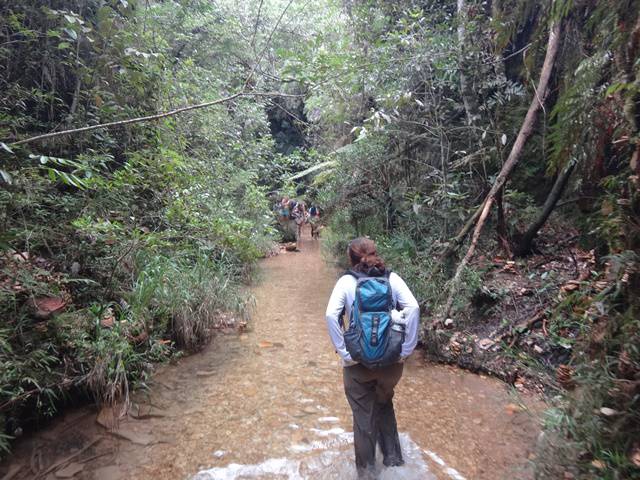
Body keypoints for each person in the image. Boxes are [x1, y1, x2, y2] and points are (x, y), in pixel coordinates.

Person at [325, 237, 419, 479]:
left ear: (351, 258)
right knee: (384, 405)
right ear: (376, 254)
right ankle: (395, 464)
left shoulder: (346, 282)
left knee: (363, 419)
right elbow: (414, 309)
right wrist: (406, 350)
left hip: (359, 365)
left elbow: (330, 315)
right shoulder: (392, 278)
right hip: (391, 363)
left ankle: (367, 474)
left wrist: (345, 353)